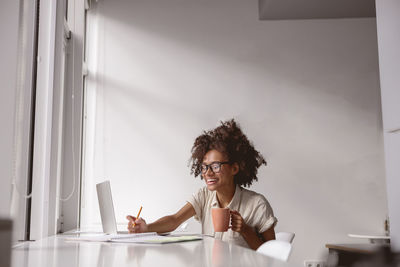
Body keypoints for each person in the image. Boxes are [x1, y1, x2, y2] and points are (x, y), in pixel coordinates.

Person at [126, 119, 277, 250]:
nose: (208, 173)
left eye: (216, 166)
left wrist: (245, 230)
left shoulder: (257, 204)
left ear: (234, 168)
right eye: (204, 167)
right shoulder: (204, 196)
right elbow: (174, 220)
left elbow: (272, 256)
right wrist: (147, 228)